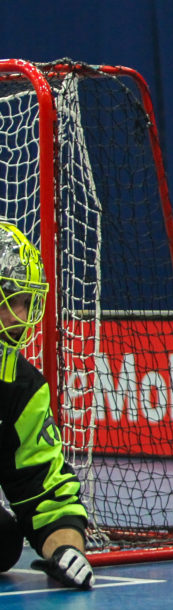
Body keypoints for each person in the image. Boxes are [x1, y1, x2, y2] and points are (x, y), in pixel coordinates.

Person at [0, 223, 94, 590]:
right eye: (10, 299)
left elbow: (44, 489)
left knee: (4, 540)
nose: (20, 317)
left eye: (26, 301)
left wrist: (67, 550)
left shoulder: (24, 389)